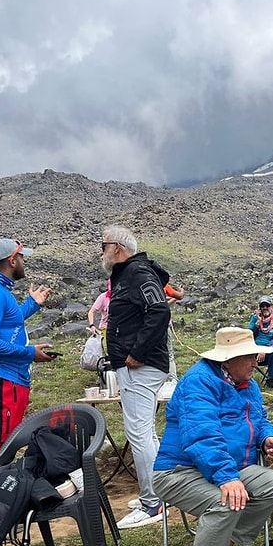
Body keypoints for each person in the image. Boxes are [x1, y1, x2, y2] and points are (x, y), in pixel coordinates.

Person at [153, 326, 273, 546]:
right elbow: (202, 437)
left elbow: (259, 418)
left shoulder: (247, 383)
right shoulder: (198, 383)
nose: (256, 362)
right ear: (227, 360)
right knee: (226, 502)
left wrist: (268, 438)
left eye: (256, 356)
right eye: (250, 356)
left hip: (228, 467)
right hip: (178, 471)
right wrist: (227, 478)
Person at [101, 225, 172, 528]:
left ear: (117, 247)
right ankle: (161, 493)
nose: (101, 252)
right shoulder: (130, 274)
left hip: (140, 367)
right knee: (147, 434)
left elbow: (159, 310)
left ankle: (152, 502)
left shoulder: (136, 273)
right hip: (138, 365)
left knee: (139, 434)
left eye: (103, 246)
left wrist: (138, 353)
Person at [0, 238, 55, 461]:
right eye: (22, 257)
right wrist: (30, 353)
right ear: (12, 260)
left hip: (6, 381)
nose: (25, 262)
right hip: (1, 382)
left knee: (2, 446)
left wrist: (33, 304)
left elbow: (9, 323)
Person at [248, 295, 273, 388]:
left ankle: (271, 379)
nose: (265, 308)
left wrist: (265, 349)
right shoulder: (255, 319)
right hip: (254, 351)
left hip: (269, 352)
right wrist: (256, 325)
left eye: (267, 306)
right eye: (262, 306)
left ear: (272, 307)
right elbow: (248, 336)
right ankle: (244, 379)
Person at [164, 283, 185, 382]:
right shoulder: (163, 283)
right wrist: (181, 291)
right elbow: (179, 296)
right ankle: (173, 379)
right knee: (169, 353)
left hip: (148, 325)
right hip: (164, 323)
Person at [87, 280, 111, 349]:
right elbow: (91, 312)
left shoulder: (123, 297)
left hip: (120, 329)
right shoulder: (103, 297)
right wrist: (92, 325)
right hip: (105, 328)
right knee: (108, 351)